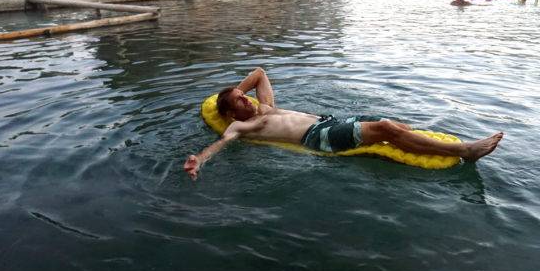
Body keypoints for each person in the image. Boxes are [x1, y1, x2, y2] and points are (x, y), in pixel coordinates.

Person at [184, 68, 503, 180]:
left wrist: (235, 92)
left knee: (396, 124)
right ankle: (465, 150)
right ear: (231, 114)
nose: (247, 99)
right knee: (387, 131)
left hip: (330, 121)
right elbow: (224, 140)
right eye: (240, 101)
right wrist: (201, 158)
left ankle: (451, 147)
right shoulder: (243, 126)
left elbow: (259, 72)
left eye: (245, 95)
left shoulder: (265, 107)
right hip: (317, 137)